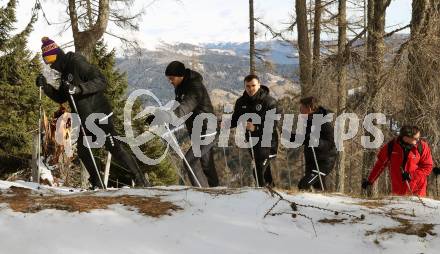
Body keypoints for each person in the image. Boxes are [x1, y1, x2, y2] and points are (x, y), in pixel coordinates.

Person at [35, 37, 149, 188]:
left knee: (113, 146)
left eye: (50, 62)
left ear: (56, 56)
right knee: (83, 150)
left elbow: (101, 80)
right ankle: (98, 183)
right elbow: (62, 97)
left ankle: (141, 181)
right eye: (48, 64)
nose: (51, 67)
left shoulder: (76, 62)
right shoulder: (64, 74)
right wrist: (46, 86)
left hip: (100, 113)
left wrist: (79, 89)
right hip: (87, 119)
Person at [148, 61, 219, 187]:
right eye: (168, 79)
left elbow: (182, 110)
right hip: (198, 131)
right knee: (206, 165)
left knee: (190, 161)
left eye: (172, 78)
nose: (170, 81)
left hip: (208, 130)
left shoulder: (194, 88)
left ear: (180, 75)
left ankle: (203, 193)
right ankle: (216, 191)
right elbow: (176, 108)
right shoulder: (180, 88)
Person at [229, 74, 279, 187]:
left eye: (253, 85)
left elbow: (272, 124)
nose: (250, 89)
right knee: (264, 173)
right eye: (248, 86)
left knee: (258, 171)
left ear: (259, 85)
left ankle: (261, 196)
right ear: (244, 86)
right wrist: (223, 124)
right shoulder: (241, 102)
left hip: (268, 143)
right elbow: (235, 119)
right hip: (252, 142)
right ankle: (273, 193)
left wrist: (256, 127)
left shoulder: (270, 102)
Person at [362, 125, 433, 197]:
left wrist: (411, 175)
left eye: (419, 137)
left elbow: (428, 167)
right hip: (398, 191)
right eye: (416, 138)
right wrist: (370, 180)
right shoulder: (391, 146)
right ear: (405, 137)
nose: (418, 140)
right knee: (399, 208)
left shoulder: (422, 146)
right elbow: (380, 164)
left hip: (417, 191)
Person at [293, 96, 337, 191]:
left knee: (303, 185)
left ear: (309, 108)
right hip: (312, 161)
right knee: (318, 188)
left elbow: (330, 143)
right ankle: (325, 204)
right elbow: (305, 139)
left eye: (302, 108)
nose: (300, 110)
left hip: (323, 162)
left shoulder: (324, 122)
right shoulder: (308, 121)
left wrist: (316, 141)